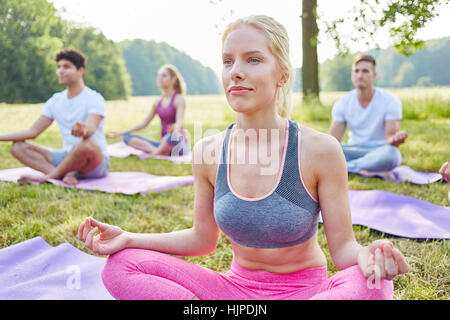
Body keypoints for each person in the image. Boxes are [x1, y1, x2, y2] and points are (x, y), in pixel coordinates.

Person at [78, 15, 409, 300]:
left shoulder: (320, 150)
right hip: (233, 290)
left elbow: (344, 250)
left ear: (281, 74)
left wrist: (369, 257)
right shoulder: (208, 151)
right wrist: (130, 238)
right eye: (227, 61)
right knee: (123, 264)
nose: (235, 72)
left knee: (374, 283)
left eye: (252, 59)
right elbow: (202, 239)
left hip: (307, 292)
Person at [0, 49, 109, 185]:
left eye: (66, 67)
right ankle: (61, 175)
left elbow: (90, 129)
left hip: (93, 161)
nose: (60, 71)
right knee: (17, 147)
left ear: (80, 71)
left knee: (87, 144)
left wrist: (83, 130)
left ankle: (50, 176)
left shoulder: (94, 98)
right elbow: (32, 132)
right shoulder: (55, 101)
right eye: (59, 67)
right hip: (67, 156)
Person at [328, 54, 408, 181]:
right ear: (352, 75)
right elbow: (333, 141)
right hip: (353, 150)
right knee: (330, 151)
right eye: (356, 71)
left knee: (393, 155)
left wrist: (396, 139)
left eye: (365, 71)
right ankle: (364, 169)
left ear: (374, 75)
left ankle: (346, 168)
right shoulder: (342, 102)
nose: (360, 76)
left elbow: (389, 140)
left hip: (379, 151)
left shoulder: (390, 101)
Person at [108, 64, 190, 157]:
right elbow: (144, 124)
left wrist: (175, 127)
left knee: (171, 137)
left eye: (164, 75)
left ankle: (156, 152)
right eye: (159, 76)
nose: (160, 78)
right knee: (127, 137)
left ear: (173, 79)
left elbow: (180, 122)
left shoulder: (179, 99)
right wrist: (121, 133)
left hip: (176, 143)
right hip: (162, 143)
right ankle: (158, 151)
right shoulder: (157, 101)